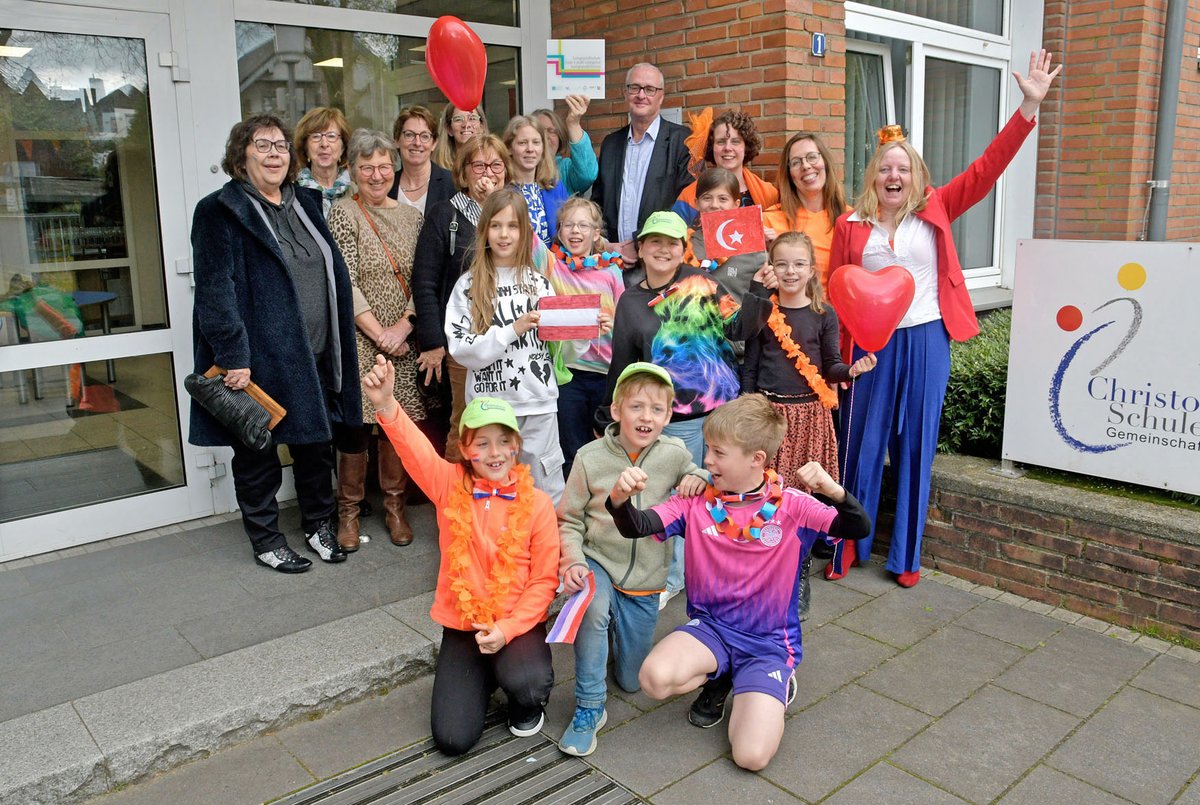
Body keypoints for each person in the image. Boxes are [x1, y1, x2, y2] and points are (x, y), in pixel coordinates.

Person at [828, 49, 1061, 587]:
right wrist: (841, 359)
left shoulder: (936, 208)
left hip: (928, 337)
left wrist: (1028, 107)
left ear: (916, 177)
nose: (894, 175)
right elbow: (840, 292)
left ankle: (905, 557)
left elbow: (987, 169)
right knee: (860, 443)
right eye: (886, 167)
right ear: (873, 175)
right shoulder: (851, 224)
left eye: (903, 168)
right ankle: (846, 547)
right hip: (870, 348)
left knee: (915, 445)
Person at [605, 394, 871, 770]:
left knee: (750, 757)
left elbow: (857, 527)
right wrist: (619, 501)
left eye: (718, 452)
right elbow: (639, 525)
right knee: (654, 679)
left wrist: (834, 491)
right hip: (711, 630)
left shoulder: (792, 505)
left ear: (756, 459)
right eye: (708, 449)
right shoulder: (695, 502)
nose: (707, 460)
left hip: (767, 645)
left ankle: (773, 683)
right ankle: (720, 676)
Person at [190, 113, 360, 573]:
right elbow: (214, 290)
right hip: (257, 360)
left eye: (281, 146)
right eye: (263, 145)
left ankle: (318, 525)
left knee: (314, 445)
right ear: (240, 156)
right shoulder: (219, 210)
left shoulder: (305, 200)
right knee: (257, 453)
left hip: (316, 354)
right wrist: (232, 356)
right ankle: (266, 538)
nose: (274, 154)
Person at [363, 358, 558, 756]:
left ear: (516, 445)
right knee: (452, 739)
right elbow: (414, 450)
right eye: (482, 442)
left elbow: (543, 582)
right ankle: (482, 676)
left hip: (514, 625)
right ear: (466, 449)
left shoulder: (537, 504)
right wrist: (386, 405)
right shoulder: (448, 485)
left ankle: (518, 693)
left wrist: (508, 629)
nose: (495, 452)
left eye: (504, 441)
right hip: (464, 623)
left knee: (528, 683)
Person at [602, 210, 774, 607]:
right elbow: (624, 363)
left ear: (684, 251)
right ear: (641, 248)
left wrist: (762, 291)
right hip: (671, 422)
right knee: (677, 498)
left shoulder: (702, 283)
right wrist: (607, 414)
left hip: (719, 417)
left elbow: (740, 329)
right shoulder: (629, 300)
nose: (663, 249)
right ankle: (675, 577)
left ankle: (734, 570)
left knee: (725, 494)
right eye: (655, 242)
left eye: (672, 243)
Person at [556, 362, 708, 757]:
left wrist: (701, 479)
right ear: (617, 410)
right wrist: (572, 561)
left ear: (669, 415)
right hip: (599, 561)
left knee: (631, 681)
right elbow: (569, 519)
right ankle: (589, 707)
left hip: (645, 579)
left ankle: (613, 634)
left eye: (656, 410)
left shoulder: (674, 453)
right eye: (636, 407)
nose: (646, 417)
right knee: (592, 606)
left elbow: (699, 476)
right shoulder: (589, 457)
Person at [445, 189, 600, 505]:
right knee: (493, 494)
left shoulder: (539, 282)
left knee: (544, 493)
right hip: (490, 407)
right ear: (484, 229)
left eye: (513, 226)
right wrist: (510, 330)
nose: (504, 234)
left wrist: (583, 332)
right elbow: (462, 349)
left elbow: (561, 356)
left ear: (525, 233)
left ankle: (544, 552)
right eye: (497, 225)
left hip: (539, 404)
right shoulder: (468, 286)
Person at [328, 129, 429, 550]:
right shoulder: (342, 213)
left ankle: (394, 507)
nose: (376, 174)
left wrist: (404, 327)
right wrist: (380, 335)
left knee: (394, 427)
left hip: (403, 339)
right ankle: (348, 514)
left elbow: (424, 279)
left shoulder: (413, 217)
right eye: (366, 166)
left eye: (384, 166)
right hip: (360, 338)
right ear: (351, 170)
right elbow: (343, 280)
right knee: (355, 428)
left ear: (395, 168)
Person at [411, 134, 512, 463]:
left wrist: (497, 209)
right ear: (464, 171)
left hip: (512, 335)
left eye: (495, 165)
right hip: (464, 340)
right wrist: (432, 341)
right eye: (479, 164)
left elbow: (526, 260)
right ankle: (456, 505)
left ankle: (499, 501)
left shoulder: (514, 213)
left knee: (505, 424)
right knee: (466, 423)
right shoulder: (445, 216)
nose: (488, 173)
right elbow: (424, 282)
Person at [545, 197, 624, 477]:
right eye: (568, 225)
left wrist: (611, 321)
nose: (575, 231)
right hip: (569, 374)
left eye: (583, 225)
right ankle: (571, 512)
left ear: (596, 233)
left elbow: (624, 319)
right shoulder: (552, 265)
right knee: (571, 446)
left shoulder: (611, 271)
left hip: (604, 375)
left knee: (603, 445)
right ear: (559, 231)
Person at [592, 63, 692, 244]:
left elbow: (685, 204)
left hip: (660, 256)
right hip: (613, 258)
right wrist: (604, 245)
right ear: (625, 93)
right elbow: (598, 203)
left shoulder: (682, 141)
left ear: (661, 97)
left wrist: (639, 243)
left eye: (650, 89)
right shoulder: (610, 144)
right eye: (634, 88)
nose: (641, 95)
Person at [762, 132, 847, 288]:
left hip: (838, 311)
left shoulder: (850, 219)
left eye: (812, 157)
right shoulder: (769, 221)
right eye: (796, 162)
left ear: (825, 162)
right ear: (789, 175)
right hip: (785, 311)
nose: (806, 166)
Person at [680, 168, 769, 308]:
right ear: (697, 203)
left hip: (735, 326)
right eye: (707, 198)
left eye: (723, 199)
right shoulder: (682, 243)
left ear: (736, 204)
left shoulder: (753, 248)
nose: (714, 205)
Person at [673, 109, 778, 225]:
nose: (727, 148)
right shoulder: (688, 196)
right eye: (721, 142)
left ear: (746, 147)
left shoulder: (769, 193)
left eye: (735, 141)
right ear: (711, 147)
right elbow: (674, 238)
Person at [503, 115, 568, 243]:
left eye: (536, 142)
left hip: (555, 262)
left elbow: (572, 225)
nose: (530, 149)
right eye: (522, 143)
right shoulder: (502, 190)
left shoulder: (555, 186)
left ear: (543, 148)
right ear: (509, 148)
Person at [387, 105, 456, 215]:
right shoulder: (387, 186)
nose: (417, 143)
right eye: (409, 135)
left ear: (434, 143)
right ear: (396, 140)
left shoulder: (452, 184)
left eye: (425, 136)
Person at [293, 106, 352, 216]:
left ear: (343, 147)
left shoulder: (358, 190)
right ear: (305, 147)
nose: (324, 144)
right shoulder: (293, 195)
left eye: (331, 136)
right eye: (316, 136)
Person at [533, 96, 598, 195]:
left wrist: (573, 124)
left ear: (560, 138)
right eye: (539, 131)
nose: (546, 137)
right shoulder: (519, 171)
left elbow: (588, 175)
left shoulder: (564, 169)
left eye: (552, 131)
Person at [431, 104, 488, 170]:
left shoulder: (493, 165)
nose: (466, 125)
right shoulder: (437, 169)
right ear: (449, 129)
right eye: (458, 119)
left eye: (472, 118)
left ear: (482, 126)